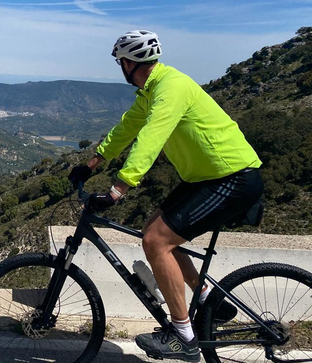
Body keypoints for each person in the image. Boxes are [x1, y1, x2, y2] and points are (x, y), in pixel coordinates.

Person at [68, 30, 264, 362]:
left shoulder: (170, 87)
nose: (120, 67)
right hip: (207, 178)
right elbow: (127, 129)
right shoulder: (151, 90)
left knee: (157, 241)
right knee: (155, 232)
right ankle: (206, 299)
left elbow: (150, 138)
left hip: (232, 177)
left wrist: (117, 190)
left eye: (120, 62)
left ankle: (184, 337)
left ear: (129, 63)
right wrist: (91, 163)